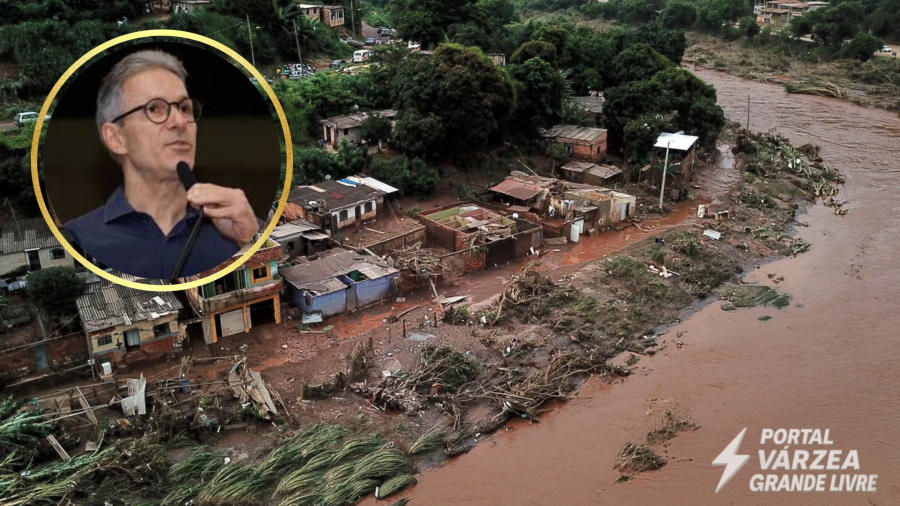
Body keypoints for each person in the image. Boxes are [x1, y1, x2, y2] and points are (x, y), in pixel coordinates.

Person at [64, 49, 261, 280]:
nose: (179, 122)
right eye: (154, 108)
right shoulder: (80, 238)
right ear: (116, 138)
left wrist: (250, 241)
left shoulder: (241, 225)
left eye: (184, 108)